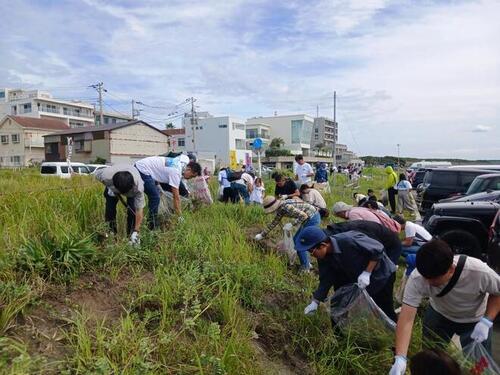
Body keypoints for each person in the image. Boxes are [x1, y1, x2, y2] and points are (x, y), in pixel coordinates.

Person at [389, 239, 500, 375]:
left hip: (474, 321)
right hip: (439, 315)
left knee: (478, 365)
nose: (428, 283)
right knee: (431, 360)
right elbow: (406, 319)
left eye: (434, 279)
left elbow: (497, 292)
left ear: (451, 269)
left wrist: (487, 320)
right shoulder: (418, 278)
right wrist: (400, 357)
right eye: (426, 278)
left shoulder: (478, 272)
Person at [296, 227, 397, 321]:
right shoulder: (324, 257)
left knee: (385, 309)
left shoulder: (348, 240)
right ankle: (341, 336)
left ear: (323, 245)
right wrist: (315, 302)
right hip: (358, 277)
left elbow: (378, 249)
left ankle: (395, 333)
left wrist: (367, 272)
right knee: (339, 308)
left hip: (381, 275)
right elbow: (325, 279)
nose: (311, 255)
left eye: (311, 251)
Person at [255, 196, 320, 271]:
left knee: (298, 242)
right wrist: (262, 235)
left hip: (312, 218)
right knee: (298, 240)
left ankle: (306, 267)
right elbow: (274, 222)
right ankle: (307, 263)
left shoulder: (286, 207)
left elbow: (303, 216)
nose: (272, 212)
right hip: (308, 218)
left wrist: (292, 225)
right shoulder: (281, 208)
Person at [134, 156, 201, 228]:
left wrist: (157, 185)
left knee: (156, 194)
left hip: (142, 166)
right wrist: (179, 216)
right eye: (191, 176)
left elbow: (160, 170)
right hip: (142, 169)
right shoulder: (176, 172)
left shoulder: (181, 164)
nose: (190, 178)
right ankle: (152, 225)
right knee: (155, 197)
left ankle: (152, 221)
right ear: (189, 169)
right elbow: (176, 197)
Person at [95, 165, 145, 245]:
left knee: (132, 211)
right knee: (110, 210)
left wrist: (136, 230)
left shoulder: (138, 188)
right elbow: (95, 174)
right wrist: (110, 188)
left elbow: (139, 210)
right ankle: (111, 235)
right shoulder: (105, 176)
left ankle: (131, 236)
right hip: (112, 185)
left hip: (131, 186)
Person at [326, 221, 402, 265]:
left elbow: (378, 248)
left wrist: (368, 272)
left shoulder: (355, 232)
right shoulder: (341, 229)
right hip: (381, 240)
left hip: (392, 244)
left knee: (387, 270)